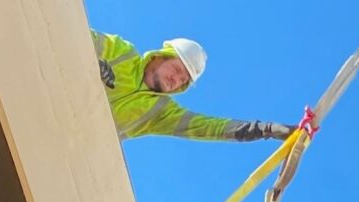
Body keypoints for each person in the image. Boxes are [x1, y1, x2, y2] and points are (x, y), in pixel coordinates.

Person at [91, 29, 296, 143]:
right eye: (177, 70)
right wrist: (89, 63)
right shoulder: (121, 51)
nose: (176, 80)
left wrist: (264, 129)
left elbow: (207, 126)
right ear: (161, 57)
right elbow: (74, 34)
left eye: (183, 81)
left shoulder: (160, 112)